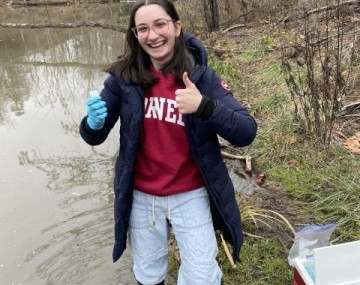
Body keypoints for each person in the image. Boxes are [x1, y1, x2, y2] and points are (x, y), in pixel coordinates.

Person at [79, 0, 257, 284]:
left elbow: (246, 132)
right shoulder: (123, 79)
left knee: (201, 275)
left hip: (191, 194)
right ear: (135, 35)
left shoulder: (203, 78)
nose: (153, 35)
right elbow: (94, 136)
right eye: (143, 29)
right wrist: (92, 123)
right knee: (148, 272)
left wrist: (204, 106)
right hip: (141, 195)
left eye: (160, 24)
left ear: (176, 27)